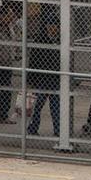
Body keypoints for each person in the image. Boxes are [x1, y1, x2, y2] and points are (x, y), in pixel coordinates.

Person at [27, 7, 61, 137]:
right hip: (41, 80)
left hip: (55, 80)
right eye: (50, 26)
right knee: (36, 107)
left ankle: (58, 130)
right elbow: (33, 62)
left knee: (56, 108)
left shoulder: (60, 40)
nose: (53, 28)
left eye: (55, 26)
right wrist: (31, 80)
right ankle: (32, 129)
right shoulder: (40, 40)